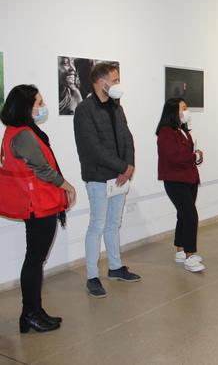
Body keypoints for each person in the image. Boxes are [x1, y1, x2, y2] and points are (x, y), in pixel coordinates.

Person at [0, 85, 76, 333]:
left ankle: (33, 311)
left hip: (36, 205)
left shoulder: (20, 131)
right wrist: (67, 186)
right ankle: (30, 314)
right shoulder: (22, 135)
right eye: (38, 102)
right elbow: (42, 169)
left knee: (34, 259)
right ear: (25, 106)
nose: (42, 107)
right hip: (38, 206)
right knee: (34, 260)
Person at [73, 63, 140, 298]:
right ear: (102, 82)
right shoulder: (84, 110)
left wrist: (128, 166)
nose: (118, 83)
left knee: (114, 224)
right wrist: (123, 167)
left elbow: (127, 136)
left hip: (119, 178)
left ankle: (115, 267)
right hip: (98, 177)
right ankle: (92, 276)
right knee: (97, 225)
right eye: (115, 79)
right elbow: (92, 148)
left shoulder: (116, 107)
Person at [156, 98, 205, 272]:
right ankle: (190, 255)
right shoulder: (166, 132)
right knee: (191, 216)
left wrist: (196, 155)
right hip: (176, 181)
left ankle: (180, 250)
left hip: (189, 179)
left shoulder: (183, 131)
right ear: (173, 111)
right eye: (183, 108)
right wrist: (193, 157)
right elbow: (173, 157)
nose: (187, 111)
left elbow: (187, 154)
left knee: (183, 215)